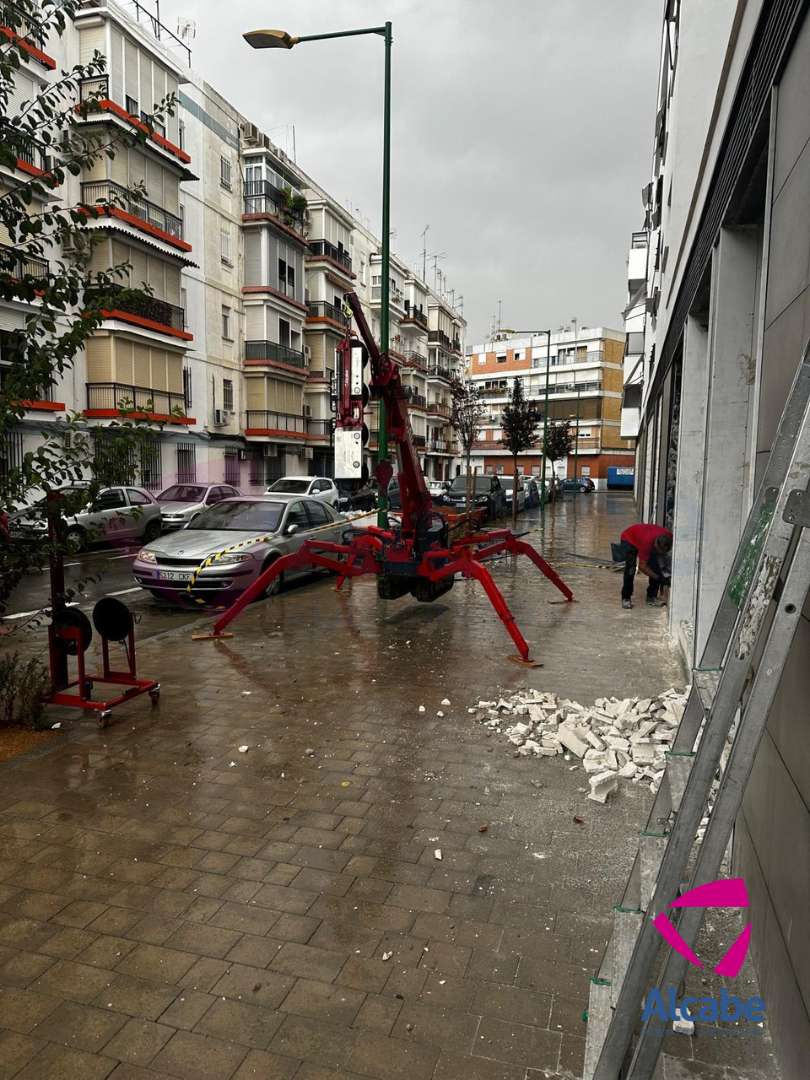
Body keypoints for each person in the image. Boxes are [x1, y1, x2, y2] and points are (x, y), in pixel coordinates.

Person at [618, 522, 672, 609]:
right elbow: (642, 567)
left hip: (642, 534)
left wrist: (665, 574)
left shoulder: (670, 536)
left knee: (655, 564)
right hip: (628, 538)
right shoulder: (646, 545)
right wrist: (659, 578)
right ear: (655, 545)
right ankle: (626, 597)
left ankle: (651, 596)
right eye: (658, 551)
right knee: (630, 569)